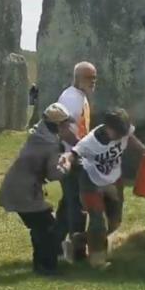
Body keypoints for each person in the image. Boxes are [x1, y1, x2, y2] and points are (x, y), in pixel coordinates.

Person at [71, 107, 145, 268]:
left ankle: (79, 240)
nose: (121, 136)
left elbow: (130, 137)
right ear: (107, 127)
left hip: (114, 179)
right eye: (118, 133)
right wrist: (66, 161)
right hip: (91, 181)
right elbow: (73, 153)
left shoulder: (123, 130)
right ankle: (97, 260)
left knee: (114, 224)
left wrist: (144, 149)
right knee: (97, 222)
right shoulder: (89, 142)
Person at [0, 103, 73, 276]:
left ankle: (42, 264)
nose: (68, 126)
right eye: (65, 123)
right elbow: (54, 174)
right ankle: (46, 267)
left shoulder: (38, 136)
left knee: (41, 226)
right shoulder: (50, 145)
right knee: (46, 228)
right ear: (57, 125)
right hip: (24, 192)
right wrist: (68, 162)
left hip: (17, 187)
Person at [54, 62, 97, 262]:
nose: (93, 82)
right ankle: (78, 253)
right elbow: (64, 129)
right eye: (90, 78)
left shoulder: (81, 97)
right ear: (78, 78)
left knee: (68, 205)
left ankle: (53, 246)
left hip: (76, 157)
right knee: (78, 205)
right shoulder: (71, 98)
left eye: (94, 78)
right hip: (71, 157)